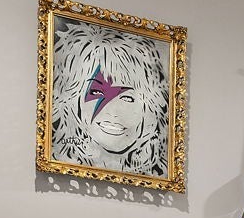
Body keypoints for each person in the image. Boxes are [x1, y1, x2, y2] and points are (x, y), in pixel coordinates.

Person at [49, 19, 170, 177]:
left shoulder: (161, 173)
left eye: (127, 98)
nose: (113, 112)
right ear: (72, 97)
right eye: (97, 92)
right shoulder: (58, 163)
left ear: (152, 105)